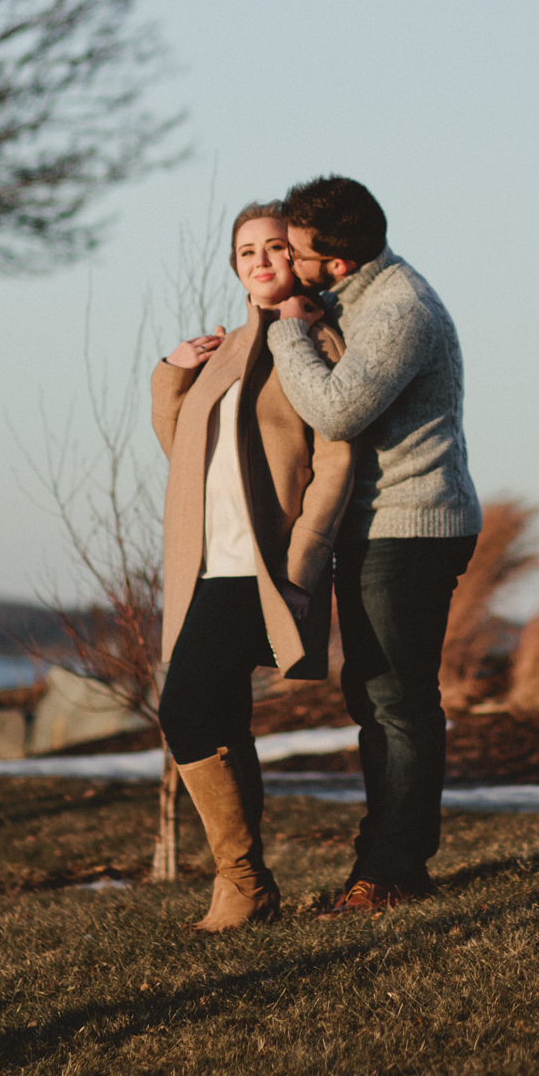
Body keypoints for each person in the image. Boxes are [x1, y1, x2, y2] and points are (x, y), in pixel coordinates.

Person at [265, 175, 480, 915]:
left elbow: (336, 407)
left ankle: (391, 872)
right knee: (377, 700)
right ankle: (389, 866)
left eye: (296, 251)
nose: (286, 262)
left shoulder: (399, 309)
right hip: (379, 527)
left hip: (411, 525)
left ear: (340, 261)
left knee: (398, 704)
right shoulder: (355, 299)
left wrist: (286, 329)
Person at [150, 204, 351, 931]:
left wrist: (302, 564)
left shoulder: (316, 339)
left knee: (185, 710)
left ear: (298, 259)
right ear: (234, 266)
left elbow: (336, 460)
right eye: (246, 251)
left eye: (274, 248)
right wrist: (173, 374)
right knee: (221, 714)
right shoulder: (228, 348)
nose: (261, 260)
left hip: (259, 565)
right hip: (206, 560)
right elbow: (185, 453)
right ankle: (249, 889)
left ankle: (243, 880)